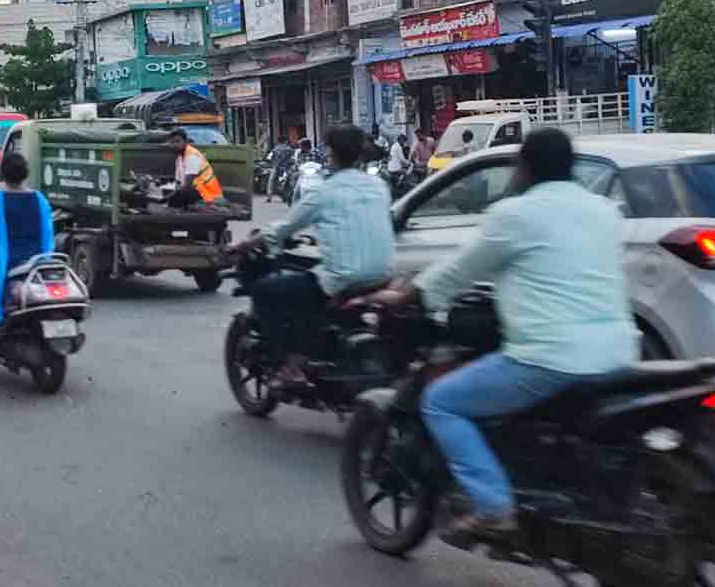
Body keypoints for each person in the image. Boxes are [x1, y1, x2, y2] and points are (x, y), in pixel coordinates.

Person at [369, 128, 636, 547]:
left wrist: (409, 293)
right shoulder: (605, 211)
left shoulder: (514, 215)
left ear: (525, 168)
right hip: (620, 353)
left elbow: (459, 271)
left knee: (441, 401)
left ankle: (493, 507)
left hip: (548, 358)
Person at [244, 124, 394, 386]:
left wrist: (242, 245)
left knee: (264, 290)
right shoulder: (379, 186)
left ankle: (292, 365)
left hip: (342, 279)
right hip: (382, 275)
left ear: (331, 153)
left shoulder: (323, 191)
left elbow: (281, 229)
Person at [0, 152, 55, 335]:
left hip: (8, 262)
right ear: (26, 174)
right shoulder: (40, 200)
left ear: (2, 174)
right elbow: (49, 231)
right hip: (39, 261)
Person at [166, 128, 223, 208]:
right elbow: (178, 183)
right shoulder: (179, 158)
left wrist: (170, 196)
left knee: (177, 197)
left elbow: (187, 184)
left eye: (177, 141)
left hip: (207, 191)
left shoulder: (191, 155)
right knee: (175, 196)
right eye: (172, 142)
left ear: (186, 142)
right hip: (198, 190)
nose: (174, 145)